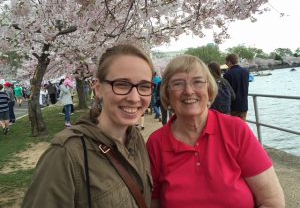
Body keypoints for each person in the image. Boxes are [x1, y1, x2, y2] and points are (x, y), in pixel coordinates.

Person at [21, 43, 154, 208]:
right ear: (98, 89)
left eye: (144, 86)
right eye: (121, 84)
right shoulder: (66, 154)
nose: (135, 98)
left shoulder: (135, 138)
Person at [146, 55, 284, 208]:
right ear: (167, 93)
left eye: (198, 82)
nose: (189, 91)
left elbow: (272, 201)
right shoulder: (156, 143)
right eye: (178, 84)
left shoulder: (236, 130)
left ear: (209, 89)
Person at [223, 54, 249, 120]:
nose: (226, 64)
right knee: (243, 126)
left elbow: (227, 92)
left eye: (226, 62)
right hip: (244, 105)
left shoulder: (227, 74)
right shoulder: (246, 72)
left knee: (234, 127)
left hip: (233, 106)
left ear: (229, 62)